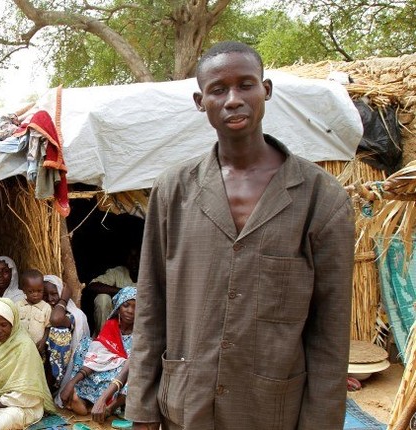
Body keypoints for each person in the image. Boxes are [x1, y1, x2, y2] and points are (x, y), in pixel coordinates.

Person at [126, 41, 355, 430]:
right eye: (218, 89)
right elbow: (151, 305)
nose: (233, 99)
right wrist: (142, 409)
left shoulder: (321, 198)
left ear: (266, 89)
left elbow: (329, 332)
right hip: (187, 406)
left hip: (270, 411)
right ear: (201, 101)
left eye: (245, 85)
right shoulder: (173, 191)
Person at [0, 298, 56, 430]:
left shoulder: (24, 347)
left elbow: (26, 394)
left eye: (4, 325)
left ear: (13, 323)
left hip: (22, 405)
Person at [60, 287, 136, 423]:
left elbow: (129, 367)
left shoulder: (141, 333)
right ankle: (84, 402)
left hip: (122, 377)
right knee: (85, 344)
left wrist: (103, 398)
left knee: (136, 372)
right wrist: (71, 382)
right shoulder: (111, 326)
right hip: (105, 369)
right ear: (118, 307)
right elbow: (96, 359)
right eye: (126, 305)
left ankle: (109, 408)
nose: (130, 311)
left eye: (136, 307)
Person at [42, 275, 90, 399]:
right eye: (44, 295)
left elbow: (56, 319)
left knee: (59, 332)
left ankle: (51, 387)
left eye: (54, 294)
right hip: (38, 365)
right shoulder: (36, 311)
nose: (50, 299)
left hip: (60, 371)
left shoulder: (73, 314)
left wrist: (63, 299)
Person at [85, 248, 139, 333]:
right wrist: (124, 292)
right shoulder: (118, 272)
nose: (134, 261)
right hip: (115, 322)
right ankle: (104, 337)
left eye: (137, 256)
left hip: (139, 324)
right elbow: (93, 285)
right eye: (131, 257)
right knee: (102, 298)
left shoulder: (150, 275)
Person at [16, 269, 51, 351]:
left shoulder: (46, 308)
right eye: (31, 291)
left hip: (37, 348)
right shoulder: (18, 306)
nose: (36, 295)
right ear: (24, 290)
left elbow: (48, 327)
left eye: (39, 291)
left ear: (43, 289)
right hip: (19, 347)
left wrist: (43, 341)